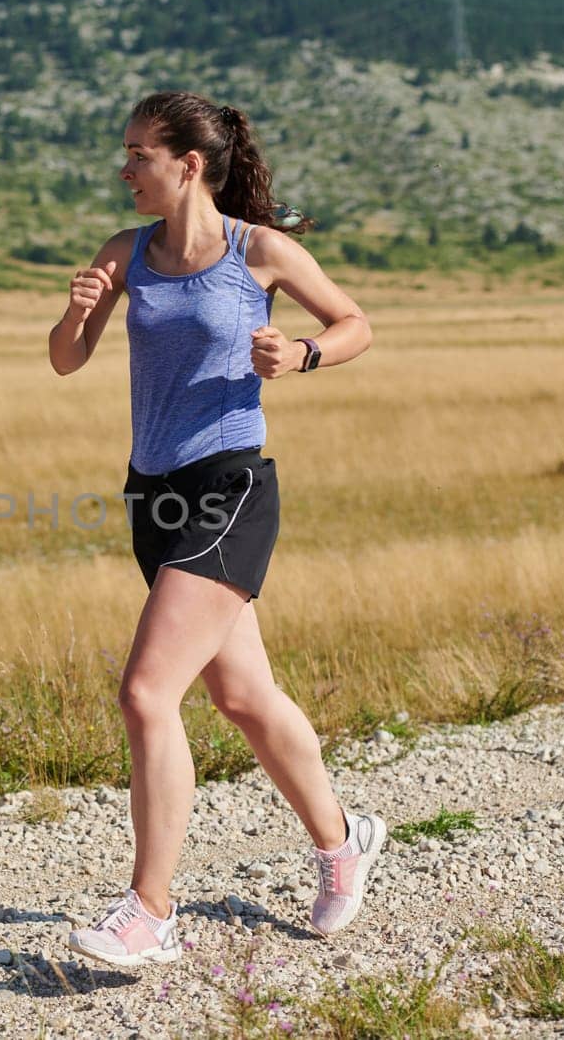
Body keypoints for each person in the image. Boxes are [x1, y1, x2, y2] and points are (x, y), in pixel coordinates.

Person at [47, 91, 383, 967]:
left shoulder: (258, 251)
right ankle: (343, 839)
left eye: (138, 155)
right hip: (151, 496)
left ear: (187, 164)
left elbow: (355, 324)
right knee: (242, 696)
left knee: (147, 691)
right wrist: (81, 308)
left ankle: (148, 911)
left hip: (229, 487)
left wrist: (302, 353)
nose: (124, 170)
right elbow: (64, 357)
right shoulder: (126, 254)